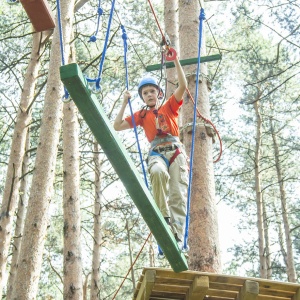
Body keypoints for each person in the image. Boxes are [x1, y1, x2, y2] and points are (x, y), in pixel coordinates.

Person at [114, 53, 189, 249]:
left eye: (152, 91)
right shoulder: (141, 115)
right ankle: (163, 218)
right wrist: (124, 103)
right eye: (145, 92)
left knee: (177, 195)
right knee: (157, 172)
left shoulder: (169, 107)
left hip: (176, 152)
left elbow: (183, 86)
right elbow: (117, 125)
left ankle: (179, 237)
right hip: (157, 152)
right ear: (142, 97)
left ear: (159, 93)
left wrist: (176, 61)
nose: (149, 95)